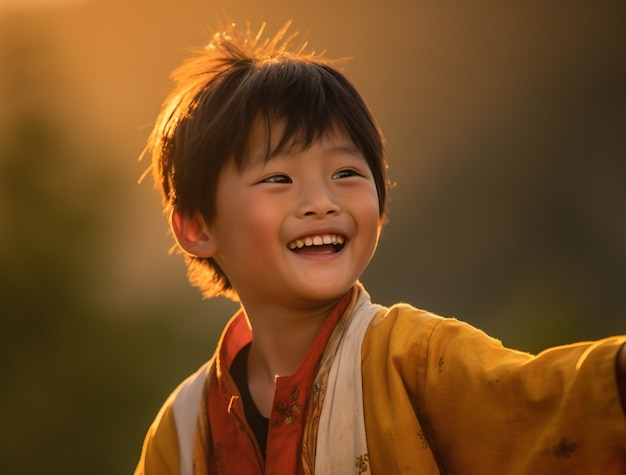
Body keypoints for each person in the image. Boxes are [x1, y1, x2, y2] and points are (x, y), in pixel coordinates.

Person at [133, 21, 626, 475]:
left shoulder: (415, 358)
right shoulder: (180, 432)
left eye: (345, 173)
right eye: (278, 178)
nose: (322, 203)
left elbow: (542, 403)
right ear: (197, 226)